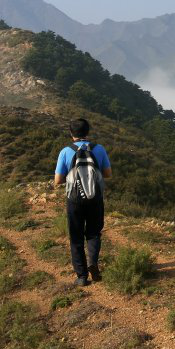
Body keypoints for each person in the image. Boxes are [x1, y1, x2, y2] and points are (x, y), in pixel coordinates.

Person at [54, 118, 112, 286]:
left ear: (71, 133)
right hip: (95, 199)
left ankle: (81, 276)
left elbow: (58, 180)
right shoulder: (99, 149)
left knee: (76, 237)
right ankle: (93, 262)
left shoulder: (66, 151)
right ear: (88, 131)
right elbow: (107, 174)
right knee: (94, 232)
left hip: (74, 200)